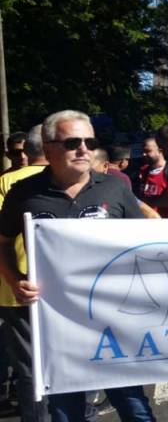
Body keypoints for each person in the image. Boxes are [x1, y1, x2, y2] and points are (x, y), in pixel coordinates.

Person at [0, 110, 156, 421]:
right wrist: (16, 279)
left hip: (112, 321)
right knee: (65, 412)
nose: (84, 149)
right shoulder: (24, 193)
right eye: (73, 142)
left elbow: (145, 242)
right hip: (57, 325)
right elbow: (2, 243)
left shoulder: (114, 189)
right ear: (48, 148)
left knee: (133, 406)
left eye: (90, 141)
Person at [0, 125, 44, 419]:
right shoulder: (66, 181)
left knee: (29, 368)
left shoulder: (6, 183)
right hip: (61, 291)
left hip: (14, 287)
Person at [136, 137, 168, 206]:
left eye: (148, 151)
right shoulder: (143, 170)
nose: (143, 154)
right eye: (143, 151)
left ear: (160, 151)